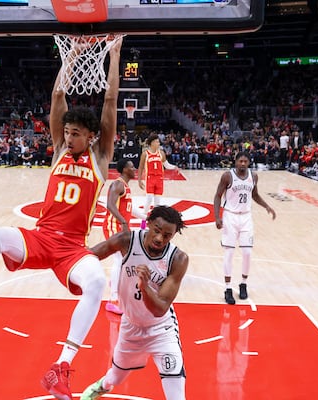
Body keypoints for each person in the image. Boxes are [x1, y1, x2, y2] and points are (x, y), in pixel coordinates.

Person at [0, 36, 123, 400]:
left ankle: (61, 368)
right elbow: (57, 99)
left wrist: (114, 56)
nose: (69, 138)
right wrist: (70, 58)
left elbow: (111, 100)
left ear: (92, 137)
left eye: (76, 134)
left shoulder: (101, 159)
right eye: (66, 132)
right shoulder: (58, 152)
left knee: (97, 284)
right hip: (41, 236)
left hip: (72, 249)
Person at [80, 205, 188, 400]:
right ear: (148, 223)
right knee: (116, 377)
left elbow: (160, 309)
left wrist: (145, 287)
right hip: (131, 326)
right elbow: (89, 256)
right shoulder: (127, 241)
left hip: (162, 330)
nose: (159, 239)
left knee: (177, 395)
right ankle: (102, 385)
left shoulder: (178, 259)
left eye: (166, 235)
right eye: (156, 230)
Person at [213, 151, 276, 305]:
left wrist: (267, 206)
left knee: (247, 252)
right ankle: (227, 288)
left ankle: (243, 284)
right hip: (230, 216)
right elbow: (217, 195)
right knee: (229, 252)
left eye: (245, 161)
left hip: (246, 217)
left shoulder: (253, 176)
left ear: (249, 162)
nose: (242, 163)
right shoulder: (227, 176)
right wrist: (217, 216)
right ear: (235, 162)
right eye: (240, 161)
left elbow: (255, 194)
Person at [101, 158, 146, 315]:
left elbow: (128, 207)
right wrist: (123, 222)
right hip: (113, 226)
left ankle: (115, 285)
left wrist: (145, 217)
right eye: (132, 167)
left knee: (124, 260)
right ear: (124, 169)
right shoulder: (118, 184)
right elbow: (110, 205)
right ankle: (112, 299)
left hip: (120, 227)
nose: (134, 169)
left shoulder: (125, 187)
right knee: (119, 260)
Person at [137, 133, 178, 218]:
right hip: (150, 178)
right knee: (148, 200)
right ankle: (143, 221)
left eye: (158, 142)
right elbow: (140, 168)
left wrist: (175, 167)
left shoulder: (161, 153)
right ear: (151, 143)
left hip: (159, 178)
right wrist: (139, 180)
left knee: (157, 202)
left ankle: (155, 221)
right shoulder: (145, 154)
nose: (158, 143)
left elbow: (166, 165)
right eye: (157, 142)